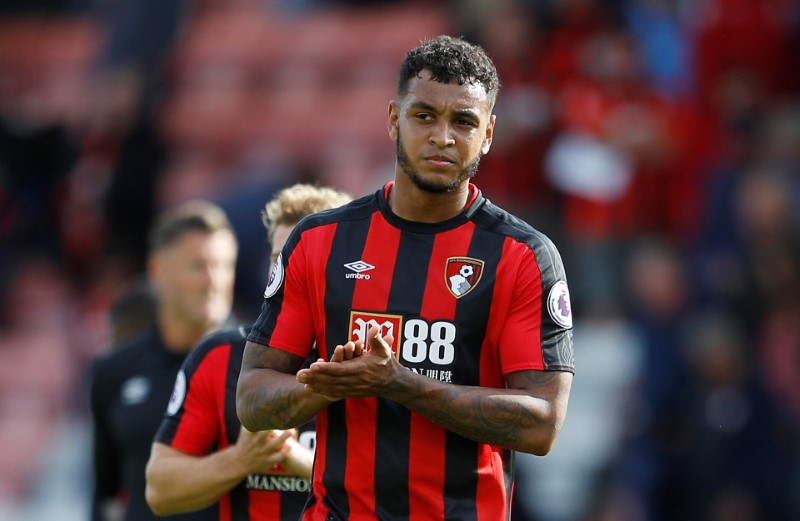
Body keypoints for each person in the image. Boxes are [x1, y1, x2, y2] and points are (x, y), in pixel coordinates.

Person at [236, 35, 575, 520]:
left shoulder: (522, 256)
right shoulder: (320, 242)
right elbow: (251, 398)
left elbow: (543, 424)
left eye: (463, 121)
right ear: (395, 119)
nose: (442, 136)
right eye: (424, 116)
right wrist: (326, 386)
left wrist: (399, 383)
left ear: (490, 133)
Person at [144, 183, 352, 520]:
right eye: (278, 258)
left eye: (305, 255)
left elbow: (405, 492)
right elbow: (160, 489)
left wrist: (300, 461)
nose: (288, 271)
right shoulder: (219, 357)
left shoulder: (375, 361)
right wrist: (242, 459)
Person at [86, 200, 239, 521]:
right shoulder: (114, 371)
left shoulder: (258, 365)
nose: (214, 281)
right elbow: (106, 494)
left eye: (225, 266)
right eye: (199, 266)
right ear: (157, 271)